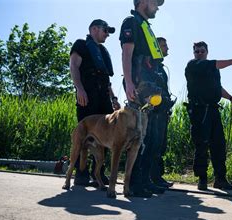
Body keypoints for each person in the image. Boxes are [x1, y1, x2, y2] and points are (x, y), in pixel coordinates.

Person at [184, 41, 232, 190]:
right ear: (194, 53)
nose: (200, 53)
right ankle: (202, 180)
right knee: (202, 145)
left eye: (202, 51)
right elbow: (217, 64)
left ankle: (220, 179)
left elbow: (218, 88)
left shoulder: (213, 69)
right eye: (197, 51)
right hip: (199, 111)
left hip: (214, 110)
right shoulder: (193, 65)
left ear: (207, 52)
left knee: (219, 145)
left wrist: (231, 98)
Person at [119, 0, 166, 197]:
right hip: (139, 87)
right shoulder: (131, 22)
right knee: (140, 136)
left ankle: (145, 181)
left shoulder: (146, 26)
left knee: (153, 138)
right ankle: (134, 185)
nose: (158, 6)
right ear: (144, 1)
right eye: (156, 2)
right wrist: (129, 83)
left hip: (151, 88)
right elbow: (126, 53)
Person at [69, 19, 119, 186]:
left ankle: (98, 173)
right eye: (105, 30)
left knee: (104, 136)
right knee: (84, 137)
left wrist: (114, 98)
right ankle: (80, 174)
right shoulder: (81, 45)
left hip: (103, 98)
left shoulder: (103, 51)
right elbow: (74, 66)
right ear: (94, 29)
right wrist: (79, 89)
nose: (107, 34)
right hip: (87, 96)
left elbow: (107, 80)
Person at [150, 37, 175, 188]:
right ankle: (153, 177)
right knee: (154, 143)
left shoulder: (160, 67)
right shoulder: (151, 65)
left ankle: (157, 176)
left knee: (161, 145)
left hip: (163, 112)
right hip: (154, 113)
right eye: (164, 46)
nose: (167, 48)